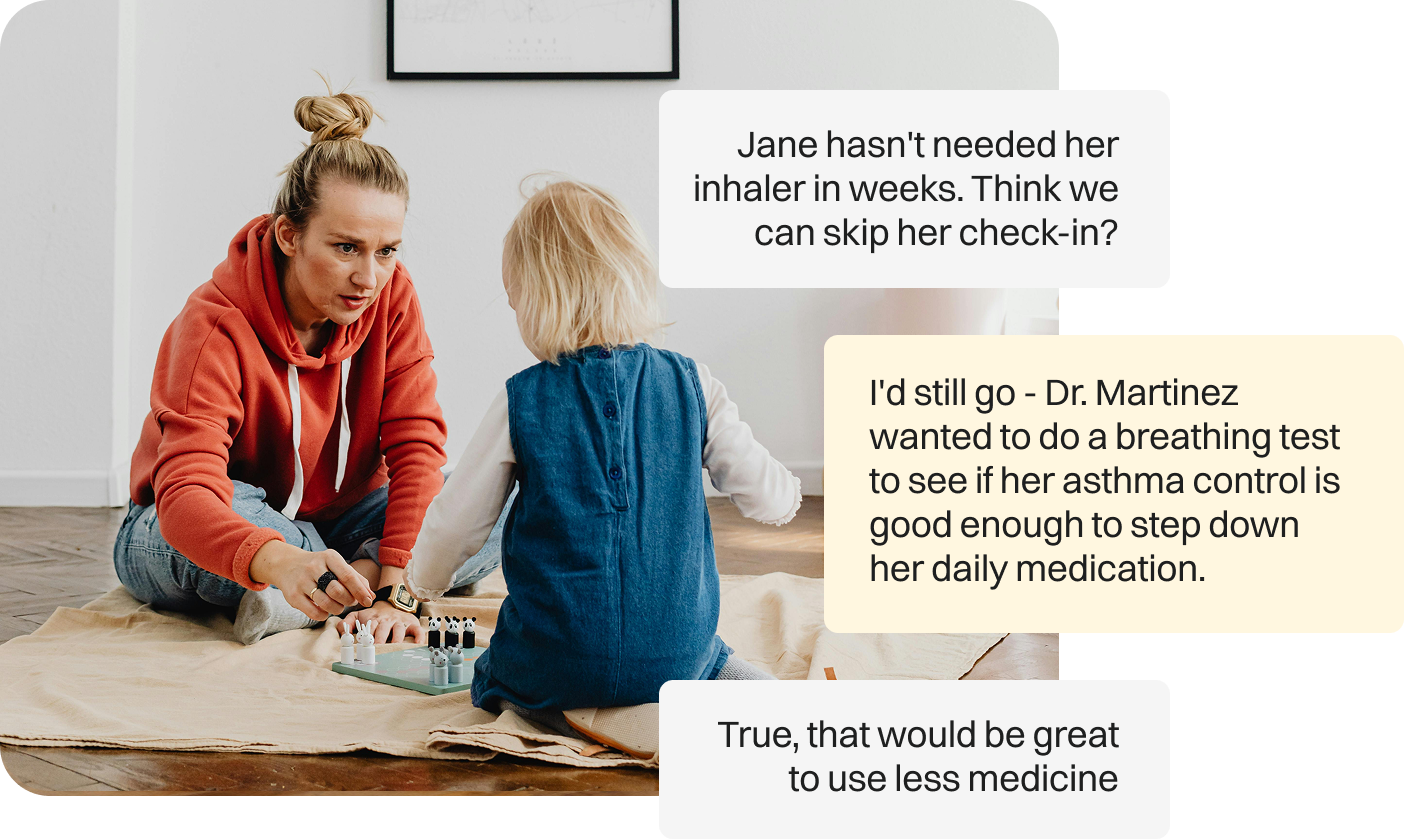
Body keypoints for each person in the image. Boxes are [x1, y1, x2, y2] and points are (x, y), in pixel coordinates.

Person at [115, 87, 503, 645]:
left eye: (387, 251)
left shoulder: (392, 296)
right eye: (346, 248)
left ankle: (327, 590)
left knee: (492, 498)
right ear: (289, 235)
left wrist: (399, 589)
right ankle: (312, 579)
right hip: (209, 519)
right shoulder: (213, 324)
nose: (369, 278)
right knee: (209, 519)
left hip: (345, 518)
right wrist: (279, 560)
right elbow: (187, 495)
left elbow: (415, 447)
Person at [407, 178, 799, 730]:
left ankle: (552, 696)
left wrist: (420, 585)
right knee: (703, 650)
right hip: (676, 661)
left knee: (492, 667)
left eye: (514, 297)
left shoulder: (521, 397)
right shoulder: (693, 384)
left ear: (538, 298)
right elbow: (766, 498)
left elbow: (457, 522)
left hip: (550, 666)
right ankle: (720, 677)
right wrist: (789, 495)